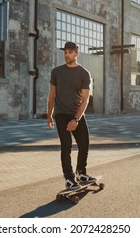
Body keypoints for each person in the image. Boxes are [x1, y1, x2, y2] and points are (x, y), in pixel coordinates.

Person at [47, 41, 96, 190]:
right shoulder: (56, 72)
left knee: (84, 144)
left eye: (70, 52)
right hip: (61, 114)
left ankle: (81, 172)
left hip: (76, 113)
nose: (66, 55)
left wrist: (76, 119)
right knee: (66, 146)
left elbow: (85, 99)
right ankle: (69, 178)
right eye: (65, 52)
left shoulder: (84, 73)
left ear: (76, 53)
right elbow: (52, 96)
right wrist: (49, 115)